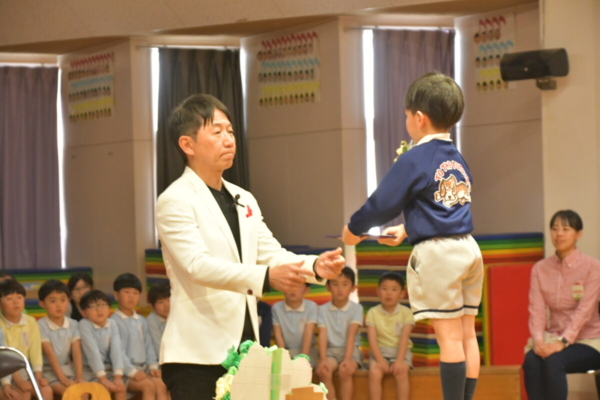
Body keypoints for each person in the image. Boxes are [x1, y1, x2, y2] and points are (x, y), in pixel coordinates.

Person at [155, 94, 345, 400]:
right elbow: (196, 266)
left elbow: (270, 253)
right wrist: (266, 277)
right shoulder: (175, 199)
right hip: (197, 354)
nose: (228, 139)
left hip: (245, 350)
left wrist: (314, 267)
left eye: (230, 131)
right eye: (217, 132)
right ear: (188, 145)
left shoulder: (243, 198)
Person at [341, 72, 483, 400]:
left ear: (419, 118)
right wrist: (408, 228)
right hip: (469, 249)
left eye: (406, 116)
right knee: (466, 335)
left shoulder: (415, 157)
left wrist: (353, 230)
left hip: (440, 255)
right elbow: (446, 205)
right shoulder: (456, 156)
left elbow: (381, 204)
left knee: (449, 339)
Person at [523, 210, 600, 400]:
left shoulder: (593, 267)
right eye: (555, 229)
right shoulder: (540, 269)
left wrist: (562, 342)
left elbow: (584, 311)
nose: (559, 234)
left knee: (553, 362)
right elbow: (537, 311)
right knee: (531, 360)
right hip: (554, 336)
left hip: (590, 340)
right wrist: (539, 341)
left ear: (578, 234)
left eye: (566, 229)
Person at [110, 273, 167, 400]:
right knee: (148, 386)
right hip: (125, 373)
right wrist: (132, 371)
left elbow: (149, 346)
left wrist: (152, 366)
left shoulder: (141, 320)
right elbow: (117, 352)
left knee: (161, 383)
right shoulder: (113, 322)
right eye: (127, 292)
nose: (131, 296)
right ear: (116, 295)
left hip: (144, 369)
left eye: (135, 293)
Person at [0, 279, 53, 400]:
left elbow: (35, 352)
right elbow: (4, 357)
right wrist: (19, 381)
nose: (16, 302)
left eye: (19, 297)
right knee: (23, 394)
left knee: (46, 390)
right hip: (4, 373)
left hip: (25, 371)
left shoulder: (30, 322)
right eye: (9, 298)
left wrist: (38, 377)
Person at [316, 267, 363, 400]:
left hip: (350, 351)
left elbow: (351, 335)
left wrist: (347, 359)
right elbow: (322, 335)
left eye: (345, 284)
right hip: (331, 352)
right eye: (335, 284)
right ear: (328, 287)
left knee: (344, 371)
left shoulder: (356, 309)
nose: (340, 289)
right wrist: (323, 360)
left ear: (353, 288)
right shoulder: (322, 310)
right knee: (324, 372)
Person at [366, 272, 414, 400]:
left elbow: (404, 338)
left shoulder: (406, 313)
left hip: (401, 352)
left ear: (402, 294)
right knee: (374, 372)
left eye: (394, 289)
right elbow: (372, 340)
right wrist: (380, 360)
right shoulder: (372, 313)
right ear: (378, 291)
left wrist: (399, 361)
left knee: (401, 371)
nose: (388, 293)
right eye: (384, 288)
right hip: (379, 351)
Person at [37, 280, 84, 397]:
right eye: (53, 301)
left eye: (63, 300)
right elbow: (50, 354)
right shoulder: (40, 325)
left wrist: (79, 377)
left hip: (68, 369)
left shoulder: (73, 324)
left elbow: (77, 353)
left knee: (84, 392)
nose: (59, 305)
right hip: (48, 372)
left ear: (68, 301)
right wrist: (63, 379)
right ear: (42, 304)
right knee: (72, 394)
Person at [78, 290, 127, 400]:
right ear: (83, 313)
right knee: (102, 389)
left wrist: (118, 377)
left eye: (103, 305)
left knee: (121, 388)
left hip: (107, 370)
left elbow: (116, 350)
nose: (99, 309)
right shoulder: (84, 324)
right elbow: (92, 353)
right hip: (89, 371)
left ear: (109, 308)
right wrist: (103, 379)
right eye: (93, 306)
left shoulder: (112, 323)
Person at [272, 283, 319, 367]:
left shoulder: (311, 306)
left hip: (308, 352)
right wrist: (284, 357)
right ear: (282, 288)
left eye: (297, 286)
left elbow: (308, 333)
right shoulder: (276, 308)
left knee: (301, 370)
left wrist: (303, 358)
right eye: (289, 286)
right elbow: (278, 335)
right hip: (286, 351)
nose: (293, 290)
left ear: (306, 290)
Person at [146, 282, 170, 356]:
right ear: (151, 306)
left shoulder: (175, 316)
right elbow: (158, 347)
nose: (167, 305)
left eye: (169, 300)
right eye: (161, 302)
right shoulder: (151, 320)